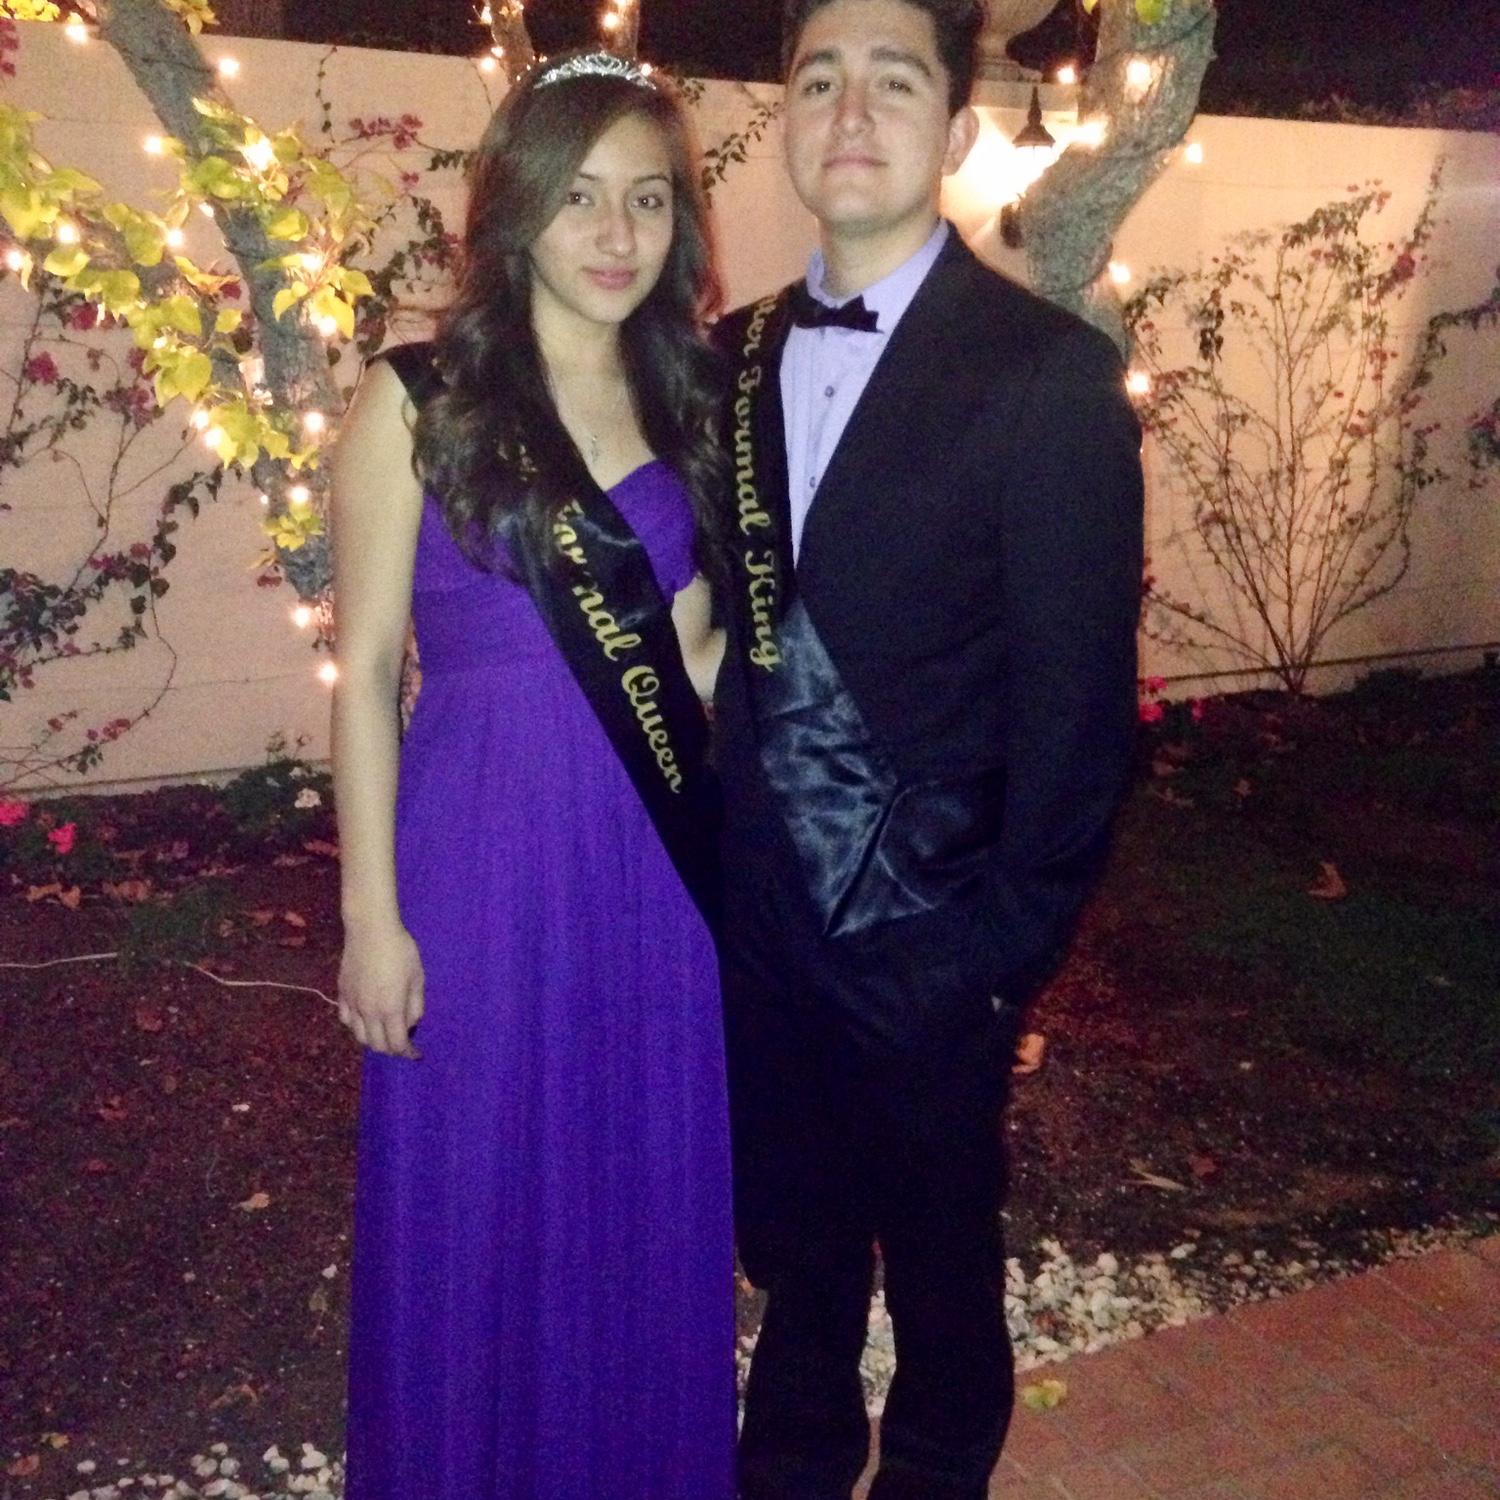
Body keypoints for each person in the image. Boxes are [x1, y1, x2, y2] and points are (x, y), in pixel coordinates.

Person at [712, 2, 1146, 1496]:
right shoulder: (724, 359)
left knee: (946, 1262)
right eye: (818, 80)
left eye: (892, 83)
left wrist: (998, 954)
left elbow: (1079, 716)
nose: (850, 113)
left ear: (956, 131)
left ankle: (944, 1459)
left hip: (932, 932)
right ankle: (795, 1449)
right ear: (785, 117)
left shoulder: (1045, 373)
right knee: (796, 1239)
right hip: (756, 924)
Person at [330, 49, 734, 1500]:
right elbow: (365, 672)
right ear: (516, 209)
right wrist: (370, 918)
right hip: (480, 865)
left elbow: (696, 660)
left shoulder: (697, 404)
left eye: (648, 199)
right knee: (473, 1194)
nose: (618, 235)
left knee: (638, 1185)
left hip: (654, 874)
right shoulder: (418, 399)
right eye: (580, 198)